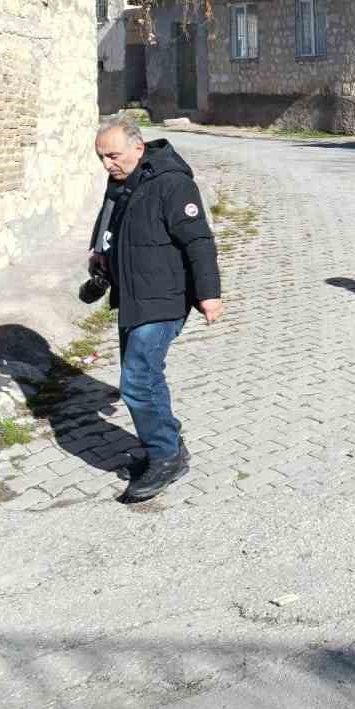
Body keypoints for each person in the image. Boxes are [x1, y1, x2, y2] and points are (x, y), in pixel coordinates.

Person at [88, 116, 223, 503]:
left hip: (163, 298)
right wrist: (99, 251)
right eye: (101, 157)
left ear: (138, 148)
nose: (106, 164)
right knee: (145, 377)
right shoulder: (120, 182)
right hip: (132, 296)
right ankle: (166, 437)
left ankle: (165, 457)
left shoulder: (173, 184)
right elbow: (108, 220)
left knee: (137, 381)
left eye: (112, 156)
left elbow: (199, 241)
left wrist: (209, 294)